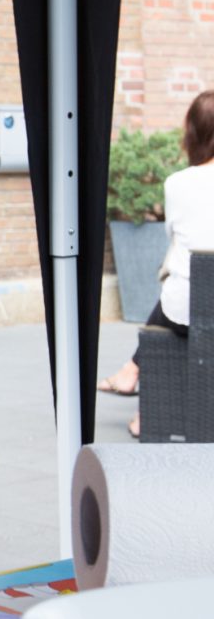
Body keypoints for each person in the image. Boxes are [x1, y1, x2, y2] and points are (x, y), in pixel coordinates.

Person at [98, 89, 214, 438]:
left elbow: (175, 235)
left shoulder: (178, 183)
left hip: (189, 310)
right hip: (197, 304)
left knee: (179, 294)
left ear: (192, 133)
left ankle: (144, 399)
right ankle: (135, 382)